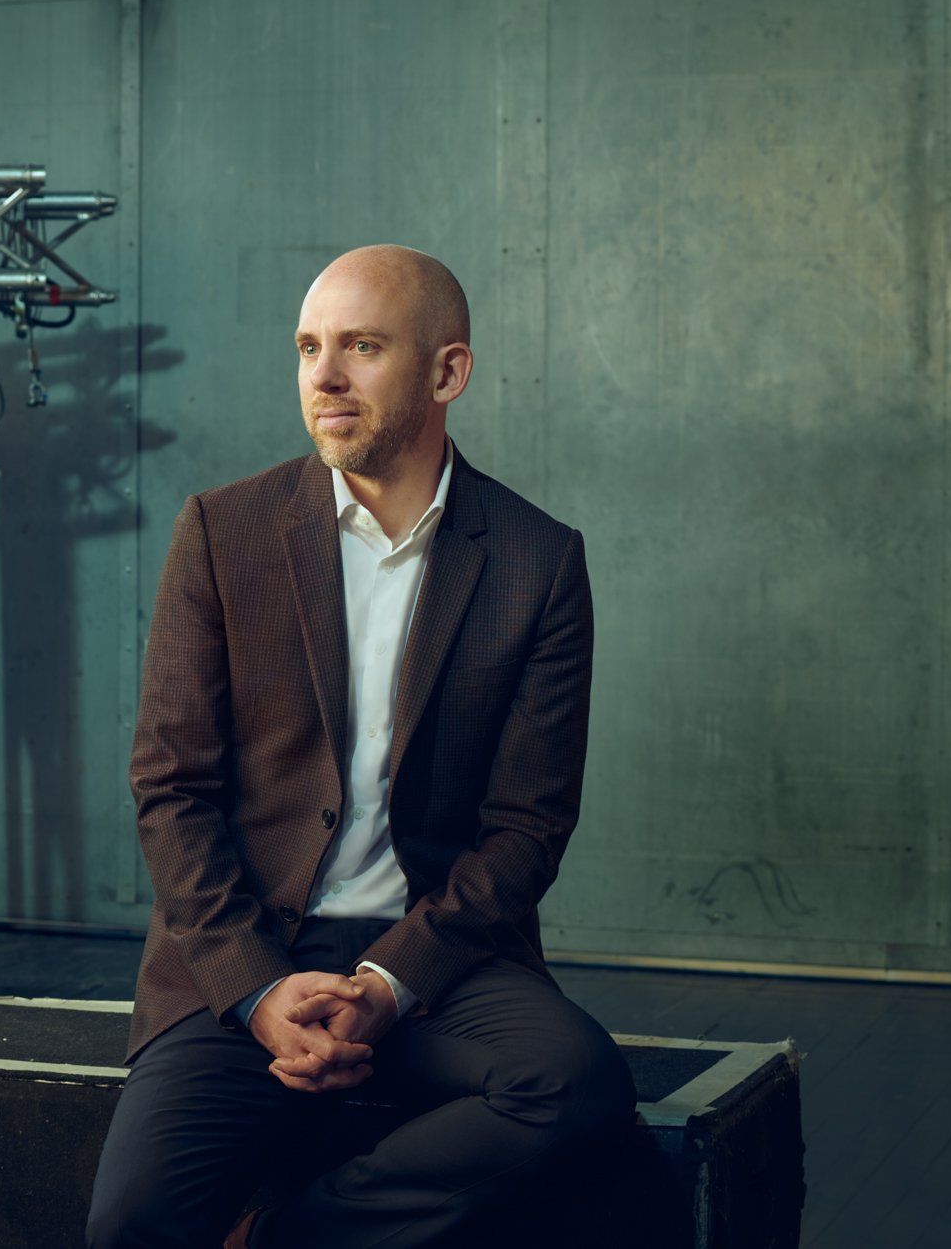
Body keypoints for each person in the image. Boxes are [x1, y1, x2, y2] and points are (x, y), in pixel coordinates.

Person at [86, 246, 635, 1248]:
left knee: (575, 1087)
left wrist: (387, 984)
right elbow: (170, 788)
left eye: (361, 346)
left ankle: (287, 1235)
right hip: (251, 948)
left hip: (438, 958)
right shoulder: (223, 530)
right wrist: (255, 990)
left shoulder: (535, 561)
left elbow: (525, 826)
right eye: (307, 348)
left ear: (445, 373)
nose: (323, 376)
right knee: (129, 1225)